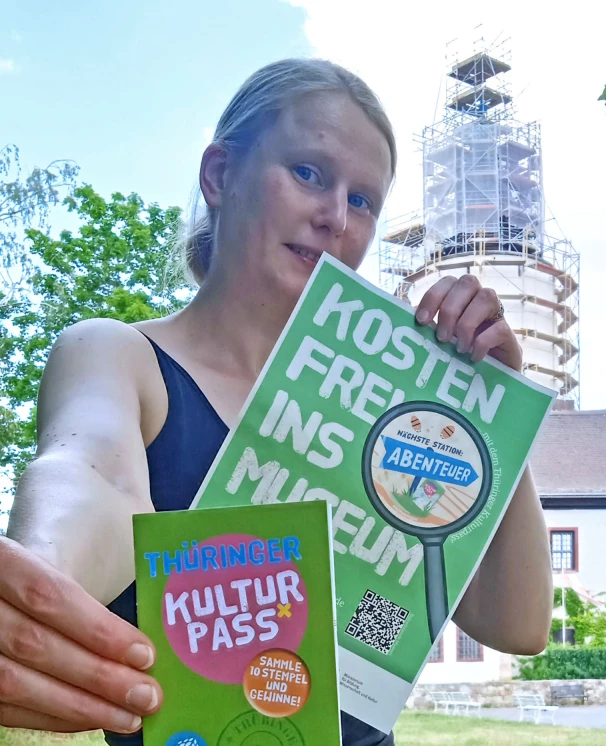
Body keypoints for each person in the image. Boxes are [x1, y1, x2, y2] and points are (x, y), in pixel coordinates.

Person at [0, 58, 553, 745]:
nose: (334, 218)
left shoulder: (398, 409)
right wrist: (39, 574)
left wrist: (487, 410)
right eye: (310, 173)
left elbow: (518, 624)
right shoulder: (119, 355)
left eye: (362, 202)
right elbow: (93, 474)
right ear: (219, 175)